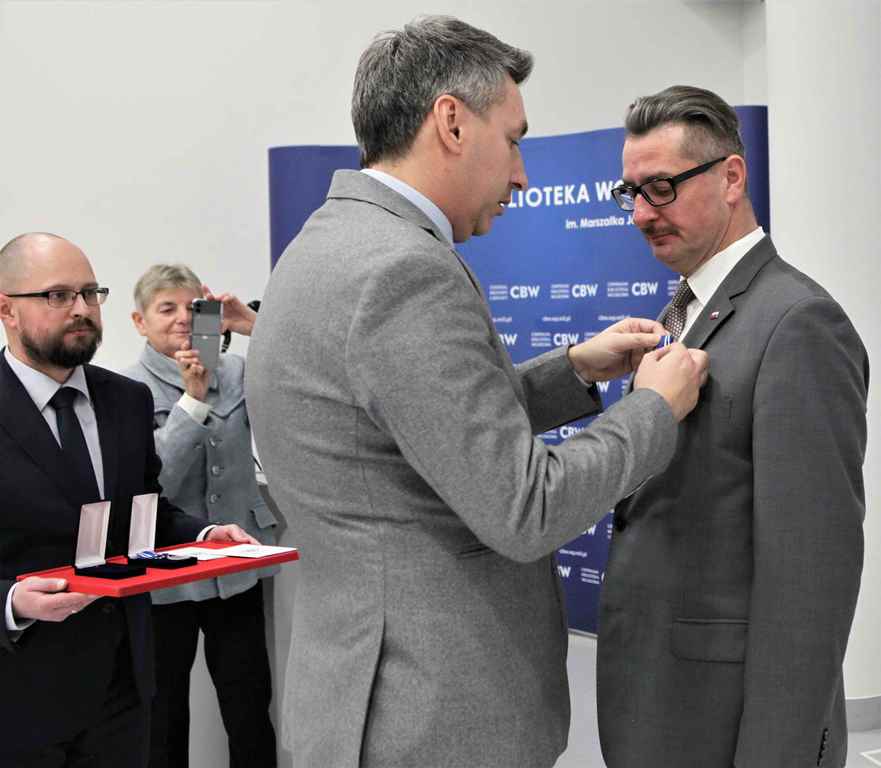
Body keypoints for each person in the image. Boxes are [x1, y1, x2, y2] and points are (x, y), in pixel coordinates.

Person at [246, 16, 708, 768]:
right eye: (514, 140)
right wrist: (652, 409)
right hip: (428, 716)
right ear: (452, 123)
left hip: (363, 694)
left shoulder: (330, 242)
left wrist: (573, 371)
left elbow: (411, 431)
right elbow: (524, 508)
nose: (521, 175)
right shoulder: (403, 270)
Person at [597, 85, 869, 768]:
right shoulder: (683, 312)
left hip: (723, 722)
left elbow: (810, 577)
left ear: (731, 178)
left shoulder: (798, 323)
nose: (641, 214)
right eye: (630, 193)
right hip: (661, 701)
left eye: (661, 188)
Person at [0, 233, 258, 768]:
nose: (81, 309)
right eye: (58, 295)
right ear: (7, 310)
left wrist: (203, 535)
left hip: (122, 689)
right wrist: (10, 602)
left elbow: (145, 511)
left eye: (90, 293)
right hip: (19, 693)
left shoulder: (125, 400)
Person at [124, 264, 278, 768]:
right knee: (163, 714)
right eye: (166, 308)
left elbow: (301, 367)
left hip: (236, 564)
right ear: (140, 322)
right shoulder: (127, 390)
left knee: (250, 704)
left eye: (193, 307)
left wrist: (254, 324)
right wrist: (191, 400)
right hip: (165, 574)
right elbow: (154, 482)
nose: (182, 319)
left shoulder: (236, 371)